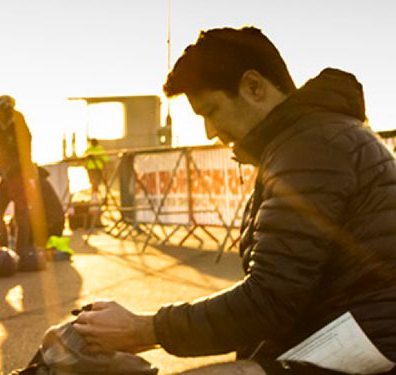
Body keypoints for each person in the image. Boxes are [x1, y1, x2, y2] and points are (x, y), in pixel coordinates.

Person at [75, 27, 396, 374]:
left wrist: (142, 329)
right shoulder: (309, 138)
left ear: (254, 87)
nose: (210, 132)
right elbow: (278, 291)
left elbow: (269, 301)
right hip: (348, 336)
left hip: (373, 346)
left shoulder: (310, 146)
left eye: (211, 111)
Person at [0, 95, 54, 271]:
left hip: (20, 178)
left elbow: (26, 154)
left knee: (21, 216)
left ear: (8, 110)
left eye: (1, 111)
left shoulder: (20, 125)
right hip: (6, 178)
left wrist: (19, 173)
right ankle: (3, 249)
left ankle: (21, 253)